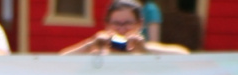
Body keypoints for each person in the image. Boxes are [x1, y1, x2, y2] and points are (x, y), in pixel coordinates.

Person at [59, 0, 188, 55]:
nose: (121, 29)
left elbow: (183, 55)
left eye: (127, 23)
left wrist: (145, 49)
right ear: (107, 24)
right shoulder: (98, 53)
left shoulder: (147, 52)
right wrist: (89, 45)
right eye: (116, 23)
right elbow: (58, 62)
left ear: (140, 24)